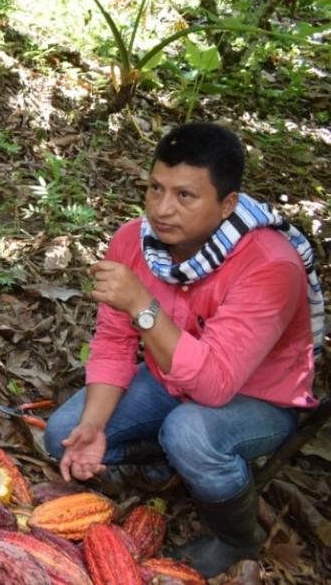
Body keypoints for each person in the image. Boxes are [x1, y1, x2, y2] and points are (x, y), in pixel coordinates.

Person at [43, 122, 324, 578]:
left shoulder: (270, 265)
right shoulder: (135, 241)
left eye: (185, 196)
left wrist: (142, 304)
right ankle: (166, 459)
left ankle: (237, 537)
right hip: (169, 376)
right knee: (64, 435)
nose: (162, 209)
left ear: (227, 203)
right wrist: (93, 426)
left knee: (190, 431)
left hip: (255, 397)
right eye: (155, 188)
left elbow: (214, 386)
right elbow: (114, 342)